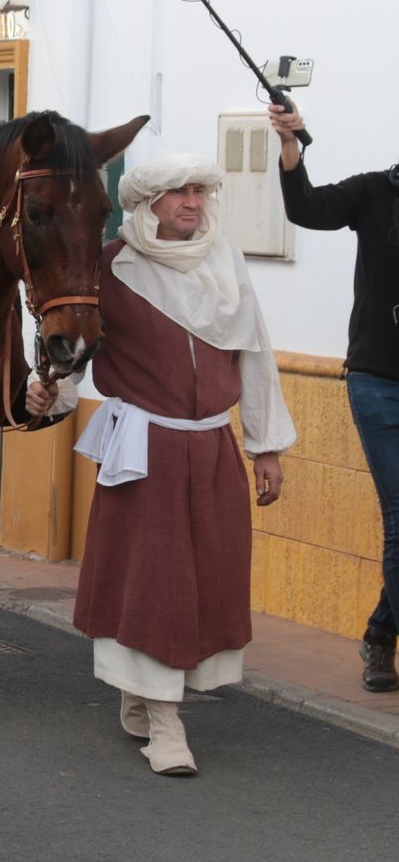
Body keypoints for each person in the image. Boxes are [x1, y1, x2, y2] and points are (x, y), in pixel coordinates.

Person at [61, 153, 295, 776]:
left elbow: (256, 351)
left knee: (206, 580)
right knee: (153, 583)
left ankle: (142, 694)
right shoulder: (111, 267)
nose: (192, 202)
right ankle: (166, 724)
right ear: (147, 201)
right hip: (144, 447)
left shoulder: (225, 258)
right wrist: (49, 394)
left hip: (211, 446)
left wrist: (264, 444)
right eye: (177, 192)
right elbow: (71, 341)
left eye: (199, 190)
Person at [271, 103, 399, 693]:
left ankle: (378, 633)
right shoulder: (375, 193)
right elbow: (306, 208)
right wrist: (292, 147)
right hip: (378, 380)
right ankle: (382, 643)